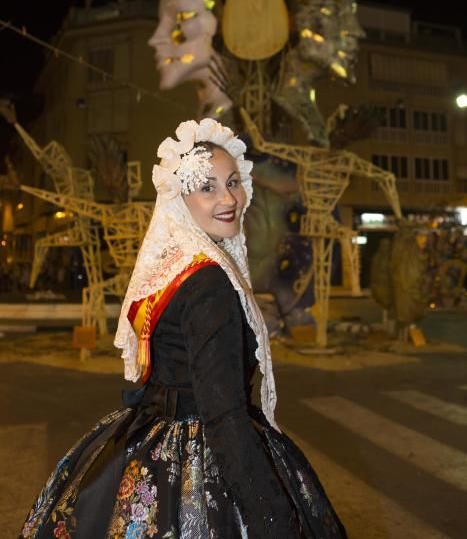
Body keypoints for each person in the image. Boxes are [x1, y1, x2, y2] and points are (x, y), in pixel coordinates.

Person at [20, 118, 347, 538]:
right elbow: (224, 414)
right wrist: (270, 516)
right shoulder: (209, 283)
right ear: (179, 199)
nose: (228, 198)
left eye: (233, 182)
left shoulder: (173, 268)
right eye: (206, 187)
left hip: (146, 438)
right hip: (202, 453)